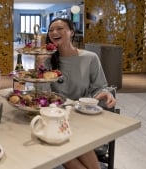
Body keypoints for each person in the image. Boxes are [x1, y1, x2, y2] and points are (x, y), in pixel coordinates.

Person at [42, 18, 116, 169]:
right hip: (56, 117)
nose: (54, 32)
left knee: (64, 146)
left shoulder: (90, 58)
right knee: (64, 145)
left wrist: (105, 93)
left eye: (60, 28)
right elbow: (43, 96)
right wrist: (40, 67)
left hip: (82, 118)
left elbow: (100, 87)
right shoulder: (47, 61)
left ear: (71, 32)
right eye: (51, 30)